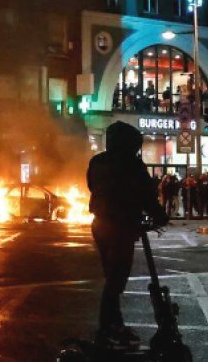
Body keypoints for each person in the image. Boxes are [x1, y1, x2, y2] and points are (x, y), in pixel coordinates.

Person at [88, 121, 169, 350]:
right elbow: (146, 196)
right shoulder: (132, 164)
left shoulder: (97, 161)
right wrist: (160, 216)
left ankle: (115, 324)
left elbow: (91, 186)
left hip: (100, 224)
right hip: (121, 227)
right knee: (116, 280)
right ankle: (106, 328)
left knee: (111, 277)